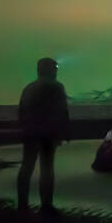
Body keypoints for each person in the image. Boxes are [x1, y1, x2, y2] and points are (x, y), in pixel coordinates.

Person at [16, 57, 70, 213]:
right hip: (47, 133)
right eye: (55, 68)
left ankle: (22, 204)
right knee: (47, 169)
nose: (56, 70)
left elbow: (21, 111)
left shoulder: (29, 88)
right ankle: (46, 205)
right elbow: (62, 111)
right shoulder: (57, 87)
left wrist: (24, 129)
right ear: (51, 69)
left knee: (26, 167)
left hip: (30, 133)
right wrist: (65, 132)